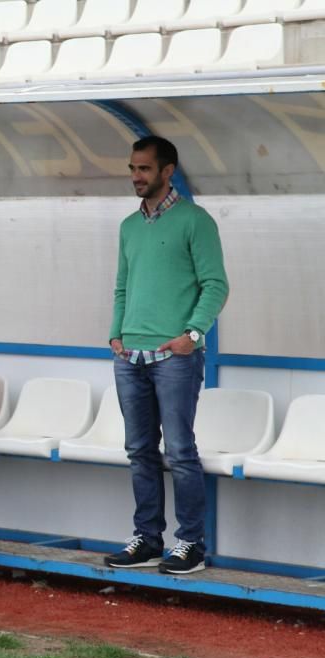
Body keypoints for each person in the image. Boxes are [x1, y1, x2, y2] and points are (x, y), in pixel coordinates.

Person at [104, 136, 228, 575]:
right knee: (139, 451)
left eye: (144, 169)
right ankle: (147, 539)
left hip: (175, 357)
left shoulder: (196, 221)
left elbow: (216, 285)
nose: (136, 176)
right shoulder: (128, 226)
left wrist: (191, 336)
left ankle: (191, 543)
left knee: (179, 451)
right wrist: (116, 334)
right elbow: (122, 285)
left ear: (168, 170)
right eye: (133, 168)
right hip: (129, 356)